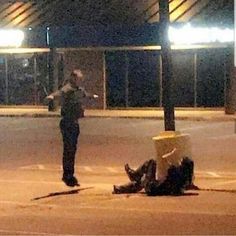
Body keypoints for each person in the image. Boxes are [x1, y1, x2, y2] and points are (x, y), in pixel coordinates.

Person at [46, 69, 98, 187]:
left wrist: (93, 96)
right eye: (79, 79)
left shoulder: (79, 90)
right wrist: (51, 97)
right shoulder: (68, 88)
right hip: (67, 123)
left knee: (72, 149)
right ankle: (67, 176)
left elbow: (85, 95)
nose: (80, 81)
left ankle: (70, 175)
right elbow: (59, 93)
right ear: (73, 78)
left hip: (74, 123)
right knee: (68, 149)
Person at [113, 148, 198, 196]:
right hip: (155, 189)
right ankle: (121, 188)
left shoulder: (176, 172)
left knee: (151, 162)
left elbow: (163, 159)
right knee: (140, 182)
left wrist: (172, 153)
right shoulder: (186, 180)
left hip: (153, 188)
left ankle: (134, 175)